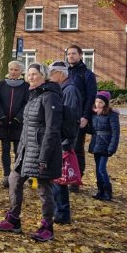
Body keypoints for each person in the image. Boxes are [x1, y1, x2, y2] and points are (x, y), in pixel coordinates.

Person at [0, 62, 62, 242]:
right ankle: (14, 220)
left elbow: (52, 129)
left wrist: (44, 156)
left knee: (43, 188)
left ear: (44, 76)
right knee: (14, 179)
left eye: (34, 74)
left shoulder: (50, 97)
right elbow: (27, 127)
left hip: (43, 152)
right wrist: (22, 148)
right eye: (29, 74)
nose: (30, 77)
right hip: (27, 150)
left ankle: (47, 227)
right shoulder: (33, 95)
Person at [48, 61, 83, 224]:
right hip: (60, 139)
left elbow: (69, 118)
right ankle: (59, 211)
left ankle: (62, 213)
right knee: (56, 179)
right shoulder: (65, 88)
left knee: (59, 179)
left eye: (51, 73)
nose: (50, 77)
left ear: (60, 74)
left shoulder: (69, 90)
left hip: (63, 140)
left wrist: (65, 142)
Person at [0, 60, 29, 188]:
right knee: (5, 150)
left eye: (16, 70)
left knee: (18, 151)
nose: (13, 72)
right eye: (11, 69)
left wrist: (18, 118)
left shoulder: (25, 86)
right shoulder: (1, 85)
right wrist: (1, 116)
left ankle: (17, 176)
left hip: (18, 124)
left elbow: (26, 103)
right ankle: (6, 176)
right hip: (3, 123)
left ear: (21, 72)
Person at [66, 45, 97, 192]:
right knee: (65, 148)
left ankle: (76, 180)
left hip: (79, 117)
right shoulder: (64, 72)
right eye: (69, 54)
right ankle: (66, 175)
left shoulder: (87, 74)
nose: (70, 56)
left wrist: (85, 116)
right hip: (65, 117)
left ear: (80, 55)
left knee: (77, 149)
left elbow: (91, 97)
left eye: (73, 53)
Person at [88, 91, 120, 201]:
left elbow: (116, 132)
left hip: (106, 145)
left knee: (102, 169)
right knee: (97, 169)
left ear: (105, 103)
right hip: (96, 143)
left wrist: (112, 148)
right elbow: (92, 129)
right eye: (96, 101)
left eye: (101, 102)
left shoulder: (112, 115)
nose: (98, 104)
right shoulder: (94, 114)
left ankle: (108, 191)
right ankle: (100, 190)